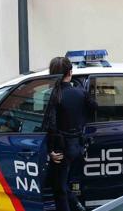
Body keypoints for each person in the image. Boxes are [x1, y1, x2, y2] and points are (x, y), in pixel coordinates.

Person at [47, 57, 97, 211]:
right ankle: (78, 205)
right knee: (69, 184)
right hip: (79, 147)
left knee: (59, 189)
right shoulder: (80, 92)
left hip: (61, 150)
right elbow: (94, 107)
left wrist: (50, 151)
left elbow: (51, 125)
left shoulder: (53, 95)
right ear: (70, 72)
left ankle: (77, 206)